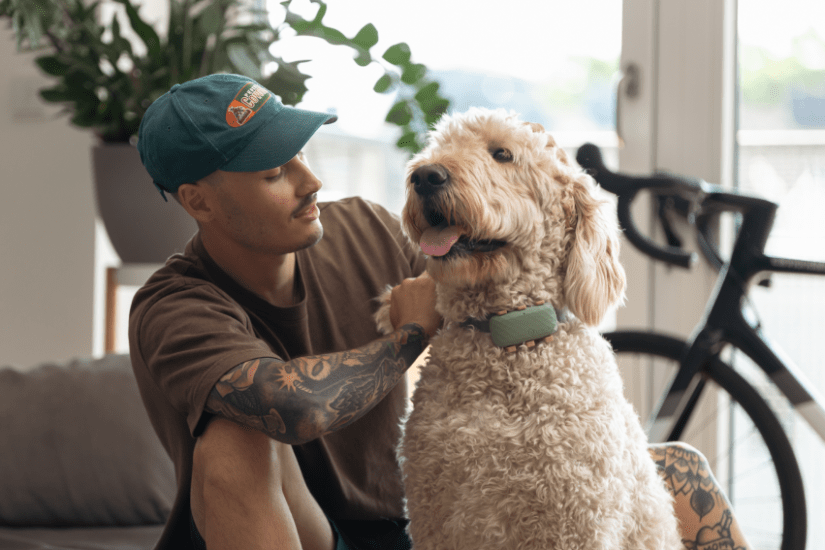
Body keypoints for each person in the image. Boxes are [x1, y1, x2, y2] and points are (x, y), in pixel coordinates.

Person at [130, 73, 752, 550]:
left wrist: (550, 212)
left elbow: (504, 270)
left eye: (301, 153)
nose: (310, 181)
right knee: (237, 443)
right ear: (198, 201)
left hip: (401, 522)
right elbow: (288, 405)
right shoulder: (174, 305)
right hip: (307, 532)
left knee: (675, 469)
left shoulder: (362, 230)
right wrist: (411, 333)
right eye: (274, 171)